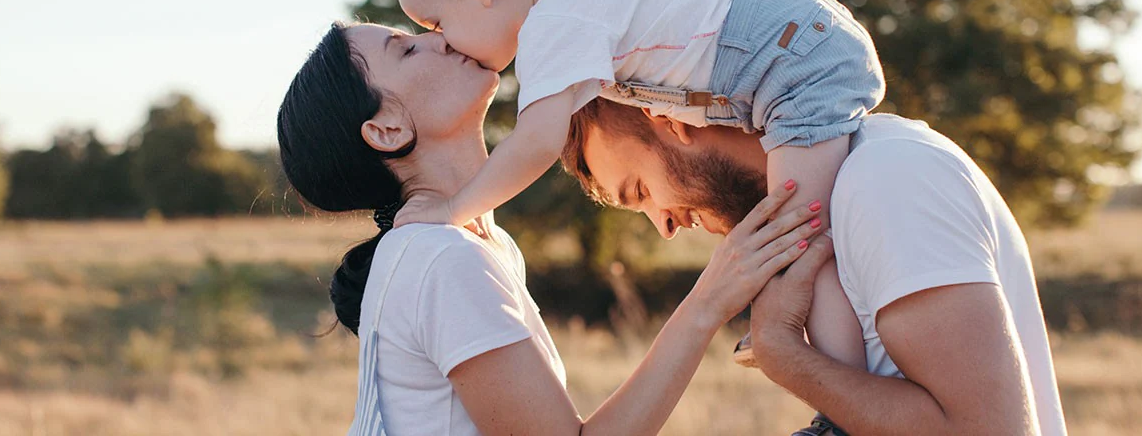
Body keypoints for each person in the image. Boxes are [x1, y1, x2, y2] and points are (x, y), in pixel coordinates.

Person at [386, 0, 884, 433]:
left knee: (798, 242)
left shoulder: (551, 24)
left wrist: (453, 208)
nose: (445, 46)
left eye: (437, 26)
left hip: (797, 63)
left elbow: (535, 142)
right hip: (805, 33)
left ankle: (844, 414)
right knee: (801, 241)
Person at [277, 22, 828, 436]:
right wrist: (708, 301)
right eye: (407, 48)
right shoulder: (438, 256)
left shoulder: (476, 245)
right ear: (387, 129)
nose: (439, 37)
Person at [561, 96, 1067, 435]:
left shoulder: (885, 176)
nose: (664, 226)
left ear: (669, 120)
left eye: (643, 191)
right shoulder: (853, 188)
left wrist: (784, 355)